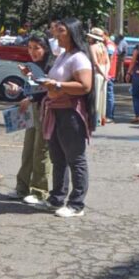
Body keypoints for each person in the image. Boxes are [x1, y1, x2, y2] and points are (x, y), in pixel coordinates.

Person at [41, 17, 93, 217]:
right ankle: (57, 197)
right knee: (58, 157)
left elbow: (85, 86)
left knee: (75, 158)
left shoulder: (79, 58)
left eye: (61, 30)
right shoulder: (63, 55)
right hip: (56, 110)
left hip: (71, 112)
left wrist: (58, 86)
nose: (56, 34)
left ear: (71, 33)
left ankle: (76, 204)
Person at [8, 35, 54, 204]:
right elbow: (33, 88)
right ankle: (22, 188)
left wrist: (31, 99)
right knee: (28, 149)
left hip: (46, 110)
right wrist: (19, 90)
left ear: (45, 48)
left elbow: (48, 90)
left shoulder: (52, 65)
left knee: (41, 151)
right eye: (30, 47)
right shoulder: (33, 66)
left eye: (37, 48)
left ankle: (39, 191)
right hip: (33, 110)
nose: (33, 51)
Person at [87, 28, 110, 127]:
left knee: (95, 97)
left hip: (97, 74)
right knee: (102, 97)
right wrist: (106, 73)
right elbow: (108, 62)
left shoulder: (92, 47)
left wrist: (102, 73)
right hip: (104, 73)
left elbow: (95, 63)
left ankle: (95, 119)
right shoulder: (103, 47)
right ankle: (101, 118)